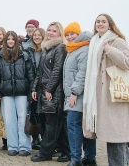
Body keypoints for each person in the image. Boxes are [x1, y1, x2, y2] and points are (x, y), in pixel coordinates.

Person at [83, 14, 129, 166]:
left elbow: (127, 62)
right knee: (111, 138)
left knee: (117, 138)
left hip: (115, 96)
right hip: (102, 97)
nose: (100, 24)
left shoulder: (117, 41)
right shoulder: (95, 42)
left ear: (110, 25)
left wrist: (109, 49)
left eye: (104, 21)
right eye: (97, 21)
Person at [0, 31, 35, 156]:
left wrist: (32, 91)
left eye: (12, 39)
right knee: (9, 120)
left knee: (22, 120)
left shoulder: (24, 55)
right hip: (6, 94)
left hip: (22, 93)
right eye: (8, 39)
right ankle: (13, 145)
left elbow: (31, 75)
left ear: (16, 41)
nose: (10, 41)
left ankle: (25, 146)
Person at [31, 22, 70, 162]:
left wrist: (49, 89)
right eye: (49, 30)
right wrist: (34, 88)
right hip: (43, 91)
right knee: (56, 124)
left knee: (51, 124)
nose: (51, 32)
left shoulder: (60, 48)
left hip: (54, 92)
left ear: (60, 33)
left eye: (54, 30)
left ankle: (45, 153)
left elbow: (57, 71)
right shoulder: (46, 48)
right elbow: (40, 72)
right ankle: (67, 152)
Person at [62, 22, 96, 166]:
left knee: (73, 125)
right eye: (67, 35)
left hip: (77, 96)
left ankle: (76, 158)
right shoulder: (73, 49)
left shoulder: (83, 49)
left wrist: (74, 92)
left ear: (79, 34)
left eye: (72, 34)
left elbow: (82, 73)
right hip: (75, 95)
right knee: (84, 126)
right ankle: (89, 157)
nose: (69, 37)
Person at [25, 27, 46, 150]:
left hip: (43, 86)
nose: (37, 37)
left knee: (43, 115)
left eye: (39, 35)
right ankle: (36, 139)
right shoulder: (29, 50)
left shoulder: (46, 50)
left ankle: (45, 139)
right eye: (35, 35)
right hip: (32, 86)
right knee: (33, 114)